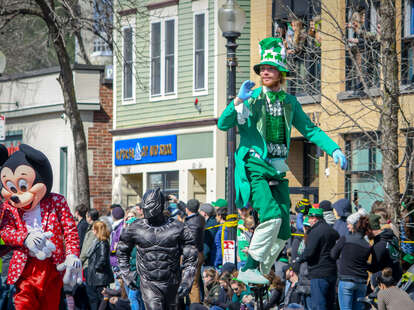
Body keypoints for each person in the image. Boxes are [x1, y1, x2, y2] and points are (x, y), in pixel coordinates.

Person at [217, 37, 347, 285]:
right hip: (254, 165)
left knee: (285, 228)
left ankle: (261, 270)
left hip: (277, 169)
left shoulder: (290, 102)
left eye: (271, 68)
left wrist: (334, 149)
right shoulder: (252, 97)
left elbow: (311, 130)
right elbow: (224, 123)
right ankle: (250, 267)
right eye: (262, 68)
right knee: (272, 216)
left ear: (281, 73)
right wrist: (237, 101)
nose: (265, 71)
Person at [116, 188, 198, 310]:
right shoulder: (135, 227)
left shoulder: (178, 227)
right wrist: (126, 273)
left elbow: (191, 256)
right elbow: (122, 251)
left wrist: (187, 280)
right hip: (149, 283)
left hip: (172, 281)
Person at [296, 208, 339, 310]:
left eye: (309, 218)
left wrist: (299, 259)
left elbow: (309, 252)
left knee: (318, 305)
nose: (309, 221)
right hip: (332, 271)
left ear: (314, 218)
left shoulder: (315, 232)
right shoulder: (332, 231)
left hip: (318, 272)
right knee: (329, 304)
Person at [330, 209, 371, 310]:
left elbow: (333, 254)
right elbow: (366, 263)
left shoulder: (345, 239)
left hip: (346, 279)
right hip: (361, 281)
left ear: (355, 226)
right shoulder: (367, 245)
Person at [87, 221, 115, 310]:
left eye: (93, 229)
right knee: (97, 299)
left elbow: (102, 258)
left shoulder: (103, 242)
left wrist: (96, 268)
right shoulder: (97, 241)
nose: (92, 231)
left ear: (97, 230)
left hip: (100, 277)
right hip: (96, 276)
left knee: (103, 299)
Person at [369, 214, 403, 286]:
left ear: (370, 229)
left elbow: (374, 269)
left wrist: (361, 263)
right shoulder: (391, 235)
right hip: (398, 274)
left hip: (388, 282)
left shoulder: (379, 245)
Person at [184, 199, 205, 304]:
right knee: (194, 283)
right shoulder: (200, 218)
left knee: (192, 284)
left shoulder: (192, 222)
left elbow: (191, 239)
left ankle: (195, 306)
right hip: (198, 254)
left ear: (187, 209)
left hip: (192, 255)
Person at [199, 203, 218, 267]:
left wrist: (202, 258)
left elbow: (207, 243)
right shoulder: (213, 221)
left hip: (209, 261)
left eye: (200, 212)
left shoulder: (210, 225)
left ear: (204, 213)